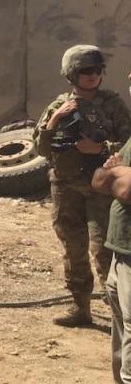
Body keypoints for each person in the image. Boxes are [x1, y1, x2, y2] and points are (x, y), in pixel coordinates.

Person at [34, 45, 131, 327]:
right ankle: (80, 307)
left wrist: (100, 147)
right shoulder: (58, 106)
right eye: (85, 71)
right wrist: (54, 121)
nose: (92, 76)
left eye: (96, 70)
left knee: (104, 251)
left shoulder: (112, 104)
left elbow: (128, 145)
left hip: (101, 189)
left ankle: (119, 317)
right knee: (73, 249)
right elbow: (41, 149)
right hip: (66, 188)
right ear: (71, 75)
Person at [92, 141, 131, 384]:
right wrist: (116, 172)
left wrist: (114, 171)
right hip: (121, 254)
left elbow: (125, 188)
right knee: (120, 351)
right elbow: (99, 179)